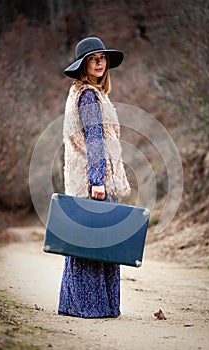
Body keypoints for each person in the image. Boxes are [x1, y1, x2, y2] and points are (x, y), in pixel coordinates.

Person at [58, 37, 131, 318]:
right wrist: (97, 180)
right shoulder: (87, 95)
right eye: (93, 58)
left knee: (88, 243)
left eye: (102, 58)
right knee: (95, 245)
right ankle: (93, 308)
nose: (100, 63)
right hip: (93, 181)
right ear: (83, 65)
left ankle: (79, 305)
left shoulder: (87, 93)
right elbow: (95, 141)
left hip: (87, 180)